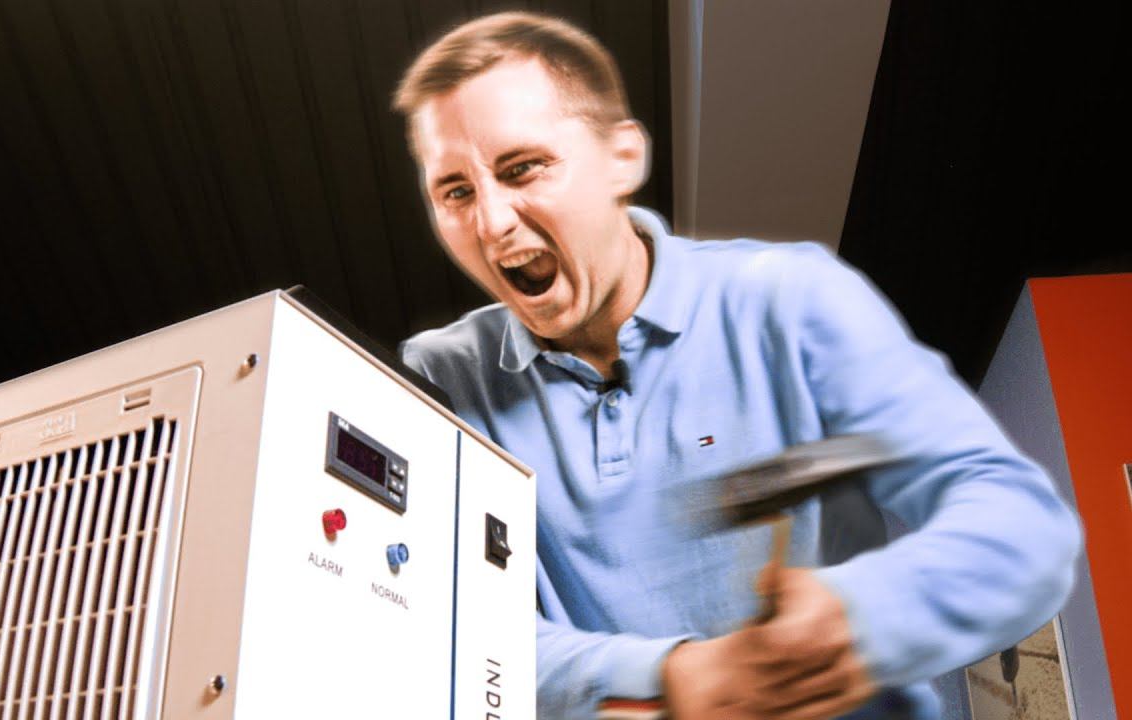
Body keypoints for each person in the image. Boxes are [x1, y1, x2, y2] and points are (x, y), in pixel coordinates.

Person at [391, 12, 1081, 720]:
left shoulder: (793, 297)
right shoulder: (444, 376)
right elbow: (454, 626)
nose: (491, 222)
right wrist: (671, 674)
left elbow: (1020, 526)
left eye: (523, 168)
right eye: (456, 191)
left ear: (622, 158)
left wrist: (857, 619)